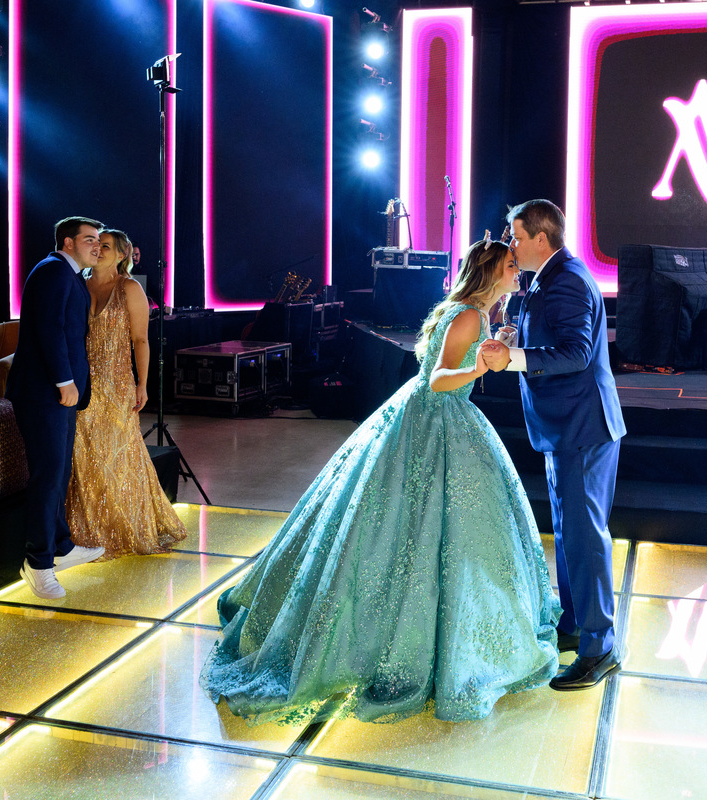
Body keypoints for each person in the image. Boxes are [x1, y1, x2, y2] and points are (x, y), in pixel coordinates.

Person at [200, 235, 560, 725]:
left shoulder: (473, 313)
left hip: (425, 417)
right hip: (440, 419)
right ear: (493, 272)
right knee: (427, 526)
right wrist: (478, 366)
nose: (518, 273)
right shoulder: (470, 317)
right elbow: (438, 379)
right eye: (511, 266)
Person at [480, 199, 626, 692]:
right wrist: (513, 337)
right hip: (567, 428)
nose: (510, 245)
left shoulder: (566, 280)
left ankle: (600, 648)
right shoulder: (551, 275)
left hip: (582, 429)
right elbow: (554, 334)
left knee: (585, 539)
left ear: (541, 239)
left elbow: (576, 353)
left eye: (517, 236)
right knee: (569, 535)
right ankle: (576, 624)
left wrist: (513, 357)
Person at [65, 228, 186, 557]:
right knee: (84, 454)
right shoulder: (79, 284)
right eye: (95, 244)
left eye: (105, 246)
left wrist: (142, 384)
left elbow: (141, 340)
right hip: (82, 383)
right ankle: (89, 531)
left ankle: (126, 525)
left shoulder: (130, 288)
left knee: (119, 454)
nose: (98, 249)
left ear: (122, 254)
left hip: (117, 383)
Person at [5, 216, 106, 599]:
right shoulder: (53, 271)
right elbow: (50, 330)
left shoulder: (69, 274)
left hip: (57, 393)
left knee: (59, 472)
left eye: (99, 240)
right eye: (89, 239)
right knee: (47, 477)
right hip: (43, 393)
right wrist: (65, 382)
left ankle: (60, 546)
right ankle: (38, 564)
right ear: (67, 242)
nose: (97, 246)